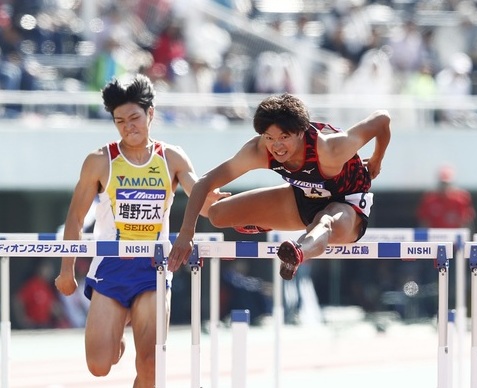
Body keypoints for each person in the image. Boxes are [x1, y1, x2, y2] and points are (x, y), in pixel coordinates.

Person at [54, 74, 226, 387]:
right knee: (98, 366)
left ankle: (133, 321)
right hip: (111, 268)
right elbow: (76, 217)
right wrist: (67, 270)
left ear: (151, 113)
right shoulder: (99, 160)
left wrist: (221, 206)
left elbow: (201, 200)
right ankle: (117, 334)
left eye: (134, 118)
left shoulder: (171, 157)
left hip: (153, 269)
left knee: (150, 364)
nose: (128, 126)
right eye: (119, 121)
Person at [167, 93, 391, 282]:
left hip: (347, 206)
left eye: (284, 137)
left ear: (302, 132)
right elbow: (205, 181)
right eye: (270, 138)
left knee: (325, 220)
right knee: (216, 214)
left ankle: (297, 253)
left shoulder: (331, 149)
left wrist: (376, 161)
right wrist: (186, 233)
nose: (277, 146)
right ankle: (265, 224)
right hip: (304, 197)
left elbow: (382, 120)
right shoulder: (259, 150)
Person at [416, 165, 475, 230]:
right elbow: (424, 222)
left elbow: (466, 222)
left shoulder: (461, 200)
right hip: (434, 237)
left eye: (447, 184)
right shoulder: (429, 200)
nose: (444, 187)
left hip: (455, 237)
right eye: (442, 184)